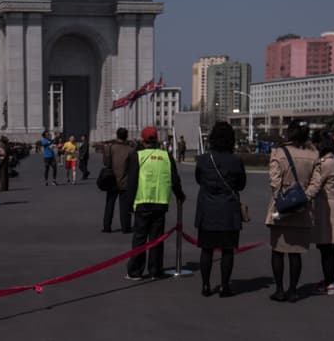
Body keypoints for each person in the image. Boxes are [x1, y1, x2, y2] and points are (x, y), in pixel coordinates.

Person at [124, 126, 185, 280]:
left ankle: (135, 271)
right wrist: (179, 195)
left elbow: (131, 182)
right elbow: (174, 179)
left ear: (143, 140)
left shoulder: (137, 156)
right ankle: (155, 270)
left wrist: (128, 204)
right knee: (156, 239)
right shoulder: (166, 156)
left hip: (143, 201)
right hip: (160, 203)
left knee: (139, 237)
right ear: (157, 139)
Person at [194, 122, 247, 297]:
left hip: (207, 209)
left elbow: (199, 180)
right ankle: (225, 286)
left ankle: (205, 285)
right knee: (227, 250)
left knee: (206, 249)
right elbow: (241, 185)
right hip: (228, 211)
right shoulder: (236, 161)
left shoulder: (203, 159)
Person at [265, 122, 317, 301]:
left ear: (288, 134)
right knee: (295, 252)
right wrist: (304, 197)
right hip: (302, 209)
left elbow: (274, 180)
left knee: (278, 250)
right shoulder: (313, 155)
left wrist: (283, 200)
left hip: (280, 209)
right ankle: (293, 290)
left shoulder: (278, 153)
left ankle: (279, 289)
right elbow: (316, 183)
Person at [306, 132, 334, 295]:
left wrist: (300, 199)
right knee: (331, 247)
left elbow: (315, 187)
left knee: (325, 247)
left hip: (325, 206)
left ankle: (329, 283)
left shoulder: (323, 164)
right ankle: (330, 280)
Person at [101, 127, 135, 234]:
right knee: (124, 205)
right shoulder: (130, 150)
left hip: (112, 179)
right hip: (125, 180)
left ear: (117, 135)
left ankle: (107, 226)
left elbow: (106, 163)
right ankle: (126, 227)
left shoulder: (111, 148)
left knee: (110, 203)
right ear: (126, 136)